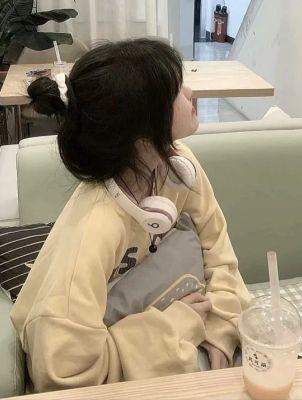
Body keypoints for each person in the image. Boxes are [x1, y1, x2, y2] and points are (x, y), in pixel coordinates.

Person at [10, 38, 250, 393]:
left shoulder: (179, 166)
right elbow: (64, 374)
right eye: (176, 90)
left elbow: (218, 253)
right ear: (141, 131)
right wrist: (178, 325)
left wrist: (220, 329)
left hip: (188, 343)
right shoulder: (96, 228)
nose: (190, 92)